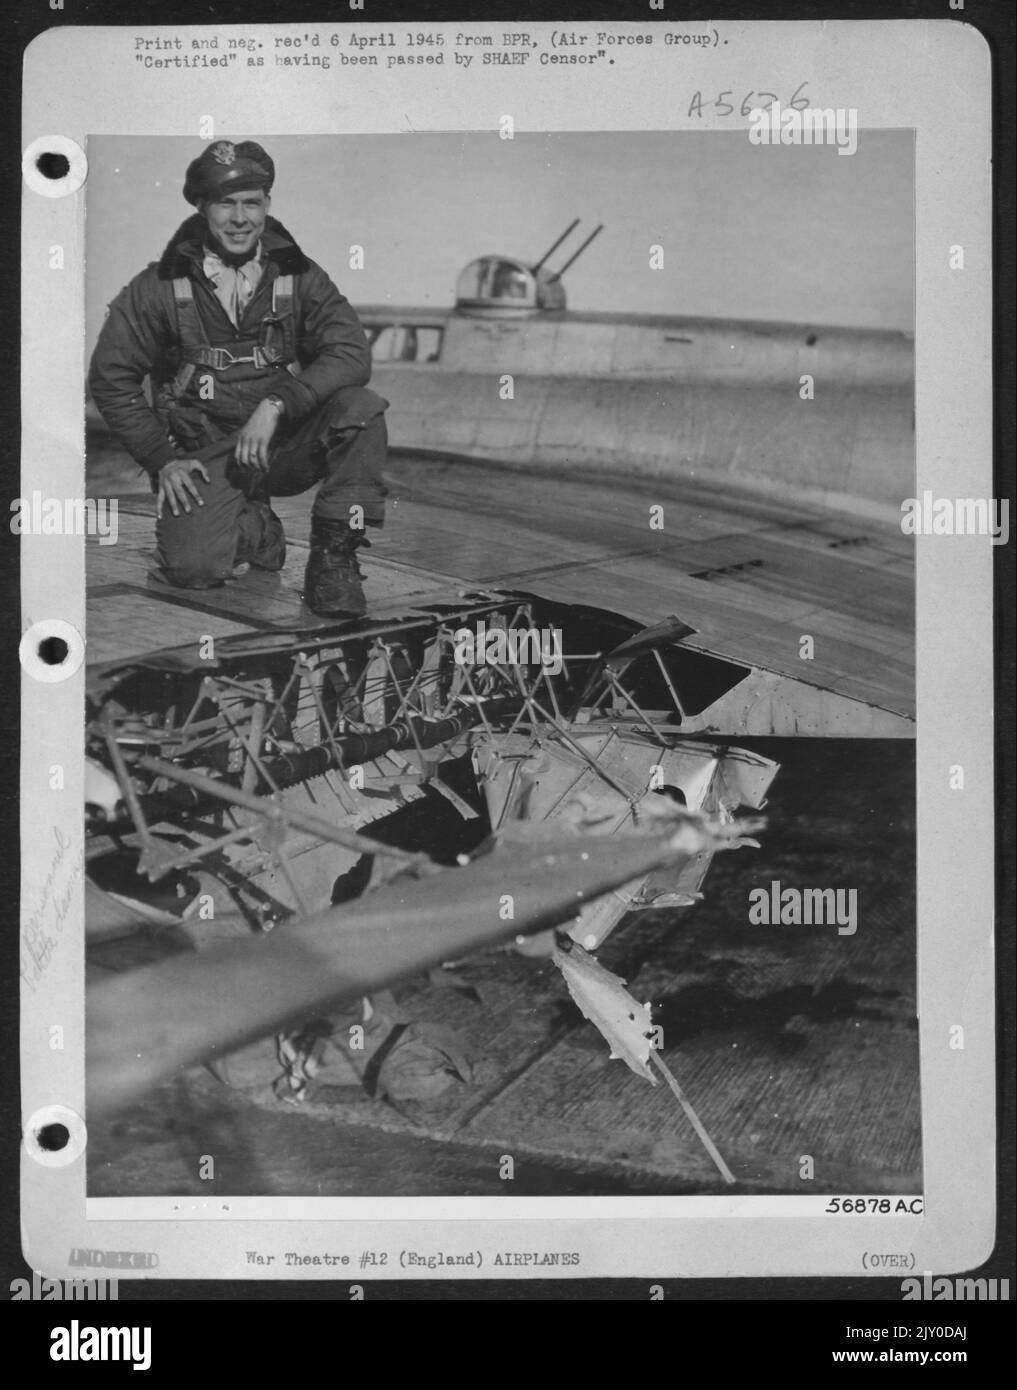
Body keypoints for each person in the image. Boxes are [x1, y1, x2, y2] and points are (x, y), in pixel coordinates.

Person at [88, 139, 388, 617]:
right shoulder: (156, 288)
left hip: (283, 444)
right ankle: (258, 528)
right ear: (203, 208)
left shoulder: (300, 276)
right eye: (226, 203)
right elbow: (111, 379)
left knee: (360, 409)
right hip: (207, 455)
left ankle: (334, 559)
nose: (240, 217)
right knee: (193, 570)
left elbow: (351, 352)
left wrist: (278, 405)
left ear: (267, 205)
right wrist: (161, 459)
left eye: (252, 202)